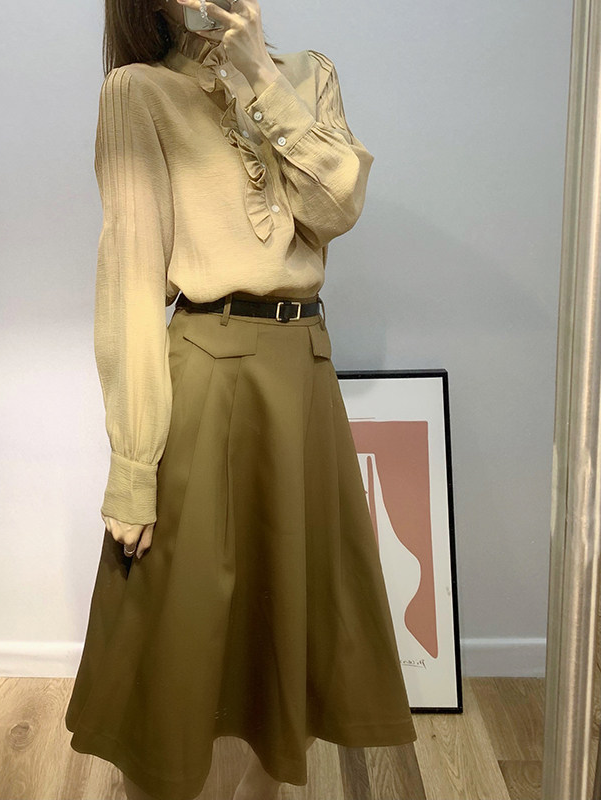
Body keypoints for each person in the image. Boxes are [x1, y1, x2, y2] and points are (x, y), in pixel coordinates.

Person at [65, 0, 417, 798]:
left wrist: (260, 72)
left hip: (304, 371)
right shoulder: (138, 92)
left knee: (288, 614)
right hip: (209, 375)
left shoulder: (308, 77)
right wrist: (132, 466)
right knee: (177, 626)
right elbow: (129, 281)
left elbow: (338, 207)